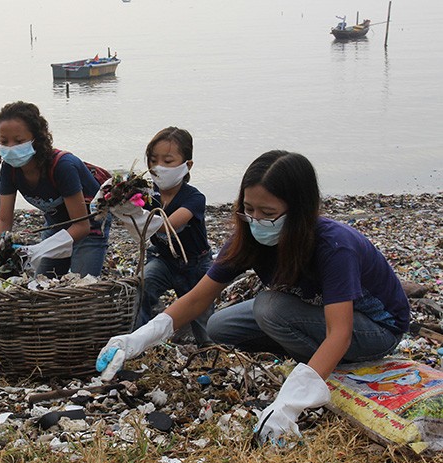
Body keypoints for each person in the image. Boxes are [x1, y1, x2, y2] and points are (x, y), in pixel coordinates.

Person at [96, 150, 409, 445]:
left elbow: (339, 334)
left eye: (268, 212)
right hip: (314, 314)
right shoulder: (250, 235)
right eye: (249, 209)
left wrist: (289, 403)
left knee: (270, 307)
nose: (256, 219)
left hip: (377, 328)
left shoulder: (335, 247)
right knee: (220, 326)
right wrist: (136, 339)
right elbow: (197, 298)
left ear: (299, 210)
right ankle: (311, 359)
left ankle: (313, 368)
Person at [108, 127, 214, 346]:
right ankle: (136, 341)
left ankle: (209, 351)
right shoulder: (147, 194)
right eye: (154, 160)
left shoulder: (194, 198)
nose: (159, 167)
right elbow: (127, 206)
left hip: (195, 265)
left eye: (168, 161)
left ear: (187, 165)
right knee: (142, 289)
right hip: (163, 260)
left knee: (204, 323)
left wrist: (135, 216)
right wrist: (117, 200)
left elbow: (169, 226)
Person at [0, 101, 110, 278]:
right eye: (4, 141)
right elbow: (4, 221)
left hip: (90, 225)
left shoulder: (62, 166)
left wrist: (41, 249)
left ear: (36, 138)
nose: (11, 148)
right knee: (43, 284)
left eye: (19, 141)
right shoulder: (10, 169)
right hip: (56, 225)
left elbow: (82, 226)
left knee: (81, 286)